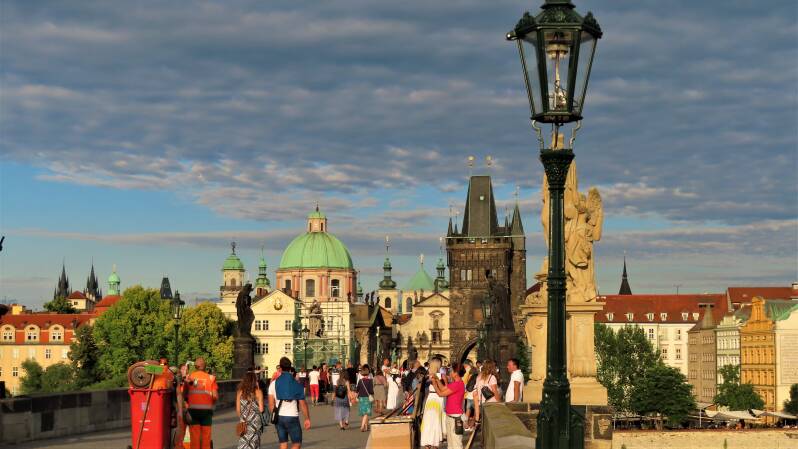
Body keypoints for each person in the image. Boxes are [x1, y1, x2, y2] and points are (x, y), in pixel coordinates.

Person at [268, 357, 312, 449]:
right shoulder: (297, 384)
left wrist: (275, 416)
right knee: (296, 443)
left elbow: (271, 404)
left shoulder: (273, 383)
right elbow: (302, 404)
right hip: (292, 416)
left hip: (279, 417)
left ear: (280, 367)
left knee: (283, 443)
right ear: (290, 367)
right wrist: (307, 418)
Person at [184, 357, 218, 449]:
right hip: (206, 412)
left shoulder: (190, 377)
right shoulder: (211, 378)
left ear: (195, 366)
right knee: (206, 436)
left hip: (193, 411)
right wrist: (210, 403)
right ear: (205, 367)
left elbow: (184, 394)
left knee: (194, 436)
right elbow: (215, 396)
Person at [431, 363, 466, 449]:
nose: (449, 372)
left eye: (451, 371)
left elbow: (441, 393)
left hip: (456, 417)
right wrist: (437, 379)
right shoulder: (456, 383)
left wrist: (434, 383)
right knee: (450, 444)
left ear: (456, 373)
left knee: (456, 444)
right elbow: (443, 388)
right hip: (450, 416)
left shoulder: (457, 384)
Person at [419, 357, 445, 449]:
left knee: (429, 420)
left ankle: (428, 442)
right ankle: (434, 442)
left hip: (432, 398)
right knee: (435, 420)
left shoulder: (429, 376)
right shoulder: (440, 376)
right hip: (437, 398)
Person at [236, 369, 265, 449]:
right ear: (254, 381)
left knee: (244, 442)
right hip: (255, 423)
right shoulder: (258, 392)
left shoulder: (240, 392)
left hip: (244, 422)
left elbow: (238, 410)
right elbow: (261, 409)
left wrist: (243, 418)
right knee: (254, 443)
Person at [473, 359, 499, 424]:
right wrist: (499, 403)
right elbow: (495, 392)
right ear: (492, 367)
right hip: (492, 403)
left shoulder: (479, 377)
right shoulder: (492, 377)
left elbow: (476, 393)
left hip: (482, 403)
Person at [355, 365, 375, 432]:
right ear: (368, 373)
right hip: (367, 398)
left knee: (364, 413)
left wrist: (356, 396)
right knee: (366, 413)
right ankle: (362, 426)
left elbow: (357, 390)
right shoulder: (370, 381)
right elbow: (371, 391)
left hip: (361, 398)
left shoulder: (360, 381)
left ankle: (366, 427)